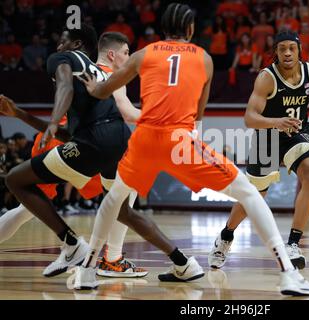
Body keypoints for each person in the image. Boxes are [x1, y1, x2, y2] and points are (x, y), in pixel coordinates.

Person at [75, 4, 309, 296]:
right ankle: (288, 275)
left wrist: (90, 85)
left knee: (113, 200)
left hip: (145, 139)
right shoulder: (205, 59)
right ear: (190, 30)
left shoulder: (143, 54)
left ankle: (87, 271)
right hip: (180, 140)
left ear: (163, 29)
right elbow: (198, 114)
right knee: (249, 192)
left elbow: (103, 90)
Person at [3, 25, 183, 280]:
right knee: (122, 197)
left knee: (29, 206)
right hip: (79, 141)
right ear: (111, 55)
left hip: (67, 137)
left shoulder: (86, 68)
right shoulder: (109, 75)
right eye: (126, 52)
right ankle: (111, 259)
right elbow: (126, 112)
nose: (129, 58)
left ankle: (77, 248)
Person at [207, 30, 309, 271]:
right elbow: (249, 118)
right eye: (281, 48)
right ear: (275, 52)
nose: (286, 52)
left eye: (291, 48)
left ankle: (293, 243)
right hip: (267, 136)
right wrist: (275, 121)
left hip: (296, 134)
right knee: (254, 196)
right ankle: (226, 236)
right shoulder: (267, 78)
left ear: (299, 50)